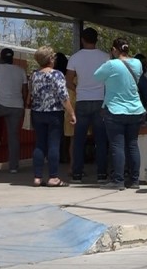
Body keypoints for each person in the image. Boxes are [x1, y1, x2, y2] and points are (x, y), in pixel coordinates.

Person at [94, 37, 145, 190]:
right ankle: (135, 180)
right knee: (132, 145)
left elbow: (96, 76)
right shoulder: (137, 63)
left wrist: (110, 60)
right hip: (135, 109)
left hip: (115, 110)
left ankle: (118, 180)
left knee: (117, 146)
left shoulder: (111, 64)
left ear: (114, 50)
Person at [28, 46, 76, 187]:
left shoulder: (34, 75)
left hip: (37, 112)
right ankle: (53, 177)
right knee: (53, 144)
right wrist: (72, 113)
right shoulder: (57, 75)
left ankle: (37, 177)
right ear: (50, 59)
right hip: (54, 112)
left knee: (40, 144)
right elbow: (63, 96)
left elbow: (31, 94)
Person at [66, 27, 110, 183]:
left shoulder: (75, 58)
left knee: (79, 140)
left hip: (82, 101)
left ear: (82, 40)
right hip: (100, 101)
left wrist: (78, 89)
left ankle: (77, 173)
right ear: (96, 39)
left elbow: (68, 80)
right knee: (101, 140)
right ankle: (102, 175)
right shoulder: (106, 57)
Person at [53, 52, 74, 164]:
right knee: (66, 135)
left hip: (54, 107)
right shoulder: (68, 75)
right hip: (66, 105)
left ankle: (59, 156)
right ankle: (65, 155)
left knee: (56, 135)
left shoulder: (55, 74)